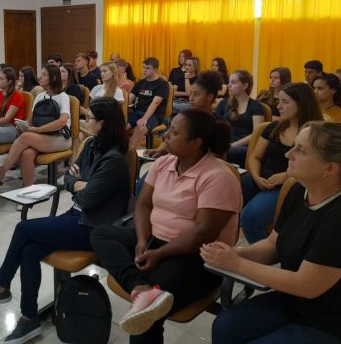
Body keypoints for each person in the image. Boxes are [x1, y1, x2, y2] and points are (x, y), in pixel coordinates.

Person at [0, 97, 130, 343]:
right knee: (30, 250)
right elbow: (69, 178)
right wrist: (80, 183)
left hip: (94, 226)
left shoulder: (115, 159)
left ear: (103, 123)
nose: (86, 122)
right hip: (78, 214)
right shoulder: (91, 145)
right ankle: (28, 319)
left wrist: (79, 184)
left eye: (90, 119)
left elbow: (87, 199)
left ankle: (0, 285)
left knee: (24, 229)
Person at [91, 110, 242, 342]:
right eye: (169, 129)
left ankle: (147, 295)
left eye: (174, 132)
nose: (167, 136)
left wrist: (159, 254)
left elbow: (202, 233)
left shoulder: (218, 176)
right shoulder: (164, 163)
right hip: (156, 241)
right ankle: (139, 287)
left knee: (146, 317)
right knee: (101, 234)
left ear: (196, 142)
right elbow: (143, 205)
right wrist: (142, 240)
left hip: (197, 256)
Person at [202, 121, 341, 344]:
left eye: (300, 150)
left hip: (332, 320)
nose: (288, 155)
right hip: (293, 301)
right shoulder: (298, 190)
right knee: (225, 326)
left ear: (330, 168)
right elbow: (273, 244)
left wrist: (236, 264)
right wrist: (233, 253)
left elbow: (306, 285)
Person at [240, 82, 323, 243]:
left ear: (302, 104)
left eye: (285, 102)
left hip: (289, 184)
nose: (279, 106)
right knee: (224, 198)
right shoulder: (274, 127)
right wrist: (256, 176)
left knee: (251, 217)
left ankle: (266, 257)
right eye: (279, 101)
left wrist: (285, 176)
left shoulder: (313, 134)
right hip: (260, 178)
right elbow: (255, 157)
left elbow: (315, 167)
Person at [0, 64, 71, 187]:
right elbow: (30, 120)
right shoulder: (39, 96)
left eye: (44, 75)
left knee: (26, 137)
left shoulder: (63, 97)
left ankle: (0, 173)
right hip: (41, 136)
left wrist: (37, 130)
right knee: (26, 154)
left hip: (60, 137)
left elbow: (62, 122)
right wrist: (23, 125)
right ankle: (28, 191)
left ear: (53, 78)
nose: (40, 77)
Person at [145, 71, 223, 159]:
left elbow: (218, 155)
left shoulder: (218, 123)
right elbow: (169, 138)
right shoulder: (185, 117)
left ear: (210, 96)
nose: (191, 98)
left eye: (196, 94)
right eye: (190, 94)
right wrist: (159, 150)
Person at [215, 70, 265, 167]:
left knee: (227, 151)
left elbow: (256, 134)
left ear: (245, 86)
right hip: (225, 142)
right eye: (229, 82)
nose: (229, 85)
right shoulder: (223, 103)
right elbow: (214, 124)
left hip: (244, 145)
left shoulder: (255, 106)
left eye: (233, 82)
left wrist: (233, 145)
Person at [128, 57, 169, 148]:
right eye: (143, 67)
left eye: (148, 68)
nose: (144, 70)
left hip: (154, 115)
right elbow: (129, 99)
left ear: (155, 69)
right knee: (122, 127)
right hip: (137, 112)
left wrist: (144, 119)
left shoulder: (162, 84)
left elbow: (155, 103)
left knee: (140, 128)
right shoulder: (140, 83)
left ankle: (130, 156)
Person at [0, 66, 24, 144]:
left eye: (1, 79)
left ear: (9, 81)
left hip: (12, 128)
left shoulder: (17, 96)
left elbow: (7, 119)